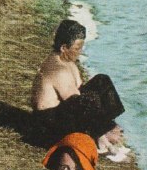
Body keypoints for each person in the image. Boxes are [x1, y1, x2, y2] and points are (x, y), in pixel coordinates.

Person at [31, 20, 126, 149]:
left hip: (63, 112)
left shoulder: (66, 60)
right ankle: (100, 137)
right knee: (88, 100)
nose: (80, 52)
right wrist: (100, 128)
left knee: (102, 80)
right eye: (77, 49)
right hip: (48, 128)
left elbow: (80, 92)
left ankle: (108, 127)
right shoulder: (58, 70)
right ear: (63, 48)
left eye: (81, 48)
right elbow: (78, 103)